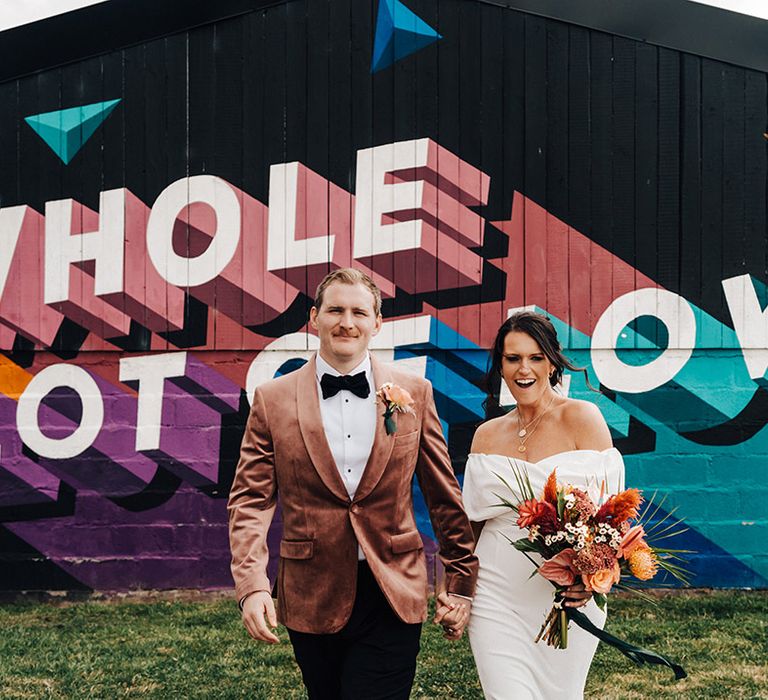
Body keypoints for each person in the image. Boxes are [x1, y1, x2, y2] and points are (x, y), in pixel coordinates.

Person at [228, 268, 478, 700]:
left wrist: (459, 582)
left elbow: (442, 492)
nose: (347, 322)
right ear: (314, 318)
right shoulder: (273, 399)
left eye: (359, 312)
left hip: (392, 587)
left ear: (377, 323)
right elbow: (250, 500)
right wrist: (252, 586)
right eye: (335, 310)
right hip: (310, 590)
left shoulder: (414, 393)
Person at [461, 311, 625, 699]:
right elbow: (469, 527)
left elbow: (613, 517)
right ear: (500, 365)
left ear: (552, 361)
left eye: (535, 357)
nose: (524, 369)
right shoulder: (486, 435)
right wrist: (456, 590)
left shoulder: (583, 419)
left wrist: (590, 580)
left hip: (569, 598)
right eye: (513, 358)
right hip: (494, 595)